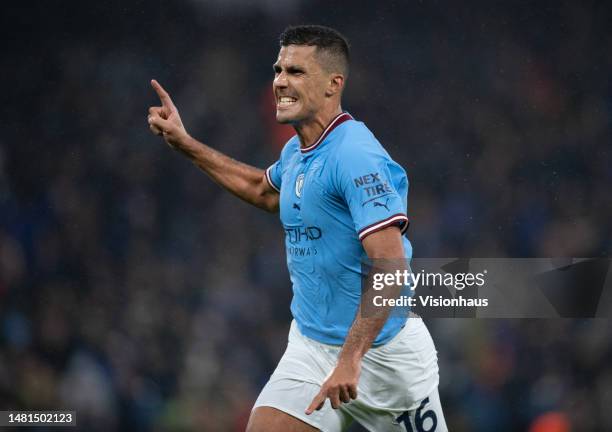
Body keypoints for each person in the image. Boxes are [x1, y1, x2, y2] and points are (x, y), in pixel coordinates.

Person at [148, 25, 447, 432]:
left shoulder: (356, 154)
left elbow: (391, 268)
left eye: (296, 72)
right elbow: (263, 191)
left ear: (333, 84)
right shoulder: (297, 151)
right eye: (278, 70)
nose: (280, 82)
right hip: (311, 347)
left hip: (385, 358)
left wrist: (349, 359)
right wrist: (186, 144)